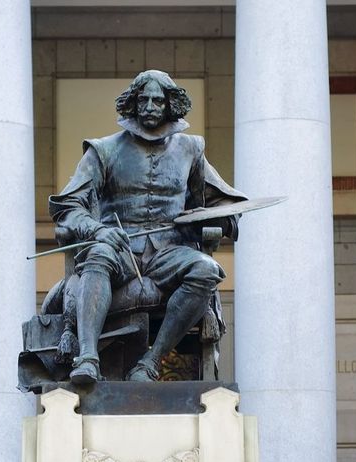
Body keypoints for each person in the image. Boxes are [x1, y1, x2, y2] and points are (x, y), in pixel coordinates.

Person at [50, 70, 246, 385]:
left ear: (171, 105)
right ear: (133, 103)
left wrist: (210, 218)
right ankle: (87, 360)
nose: (151, 106)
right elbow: (68, 207)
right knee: (98, 254)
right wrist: (98, 231)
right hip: (119, 250)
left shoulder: (191, 149)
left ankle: (150, 364)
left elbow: (225, 203)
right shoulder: (103, 150)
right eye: (144, 99)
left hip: (169, 253)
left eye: (158, 100)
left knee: (207, 270)